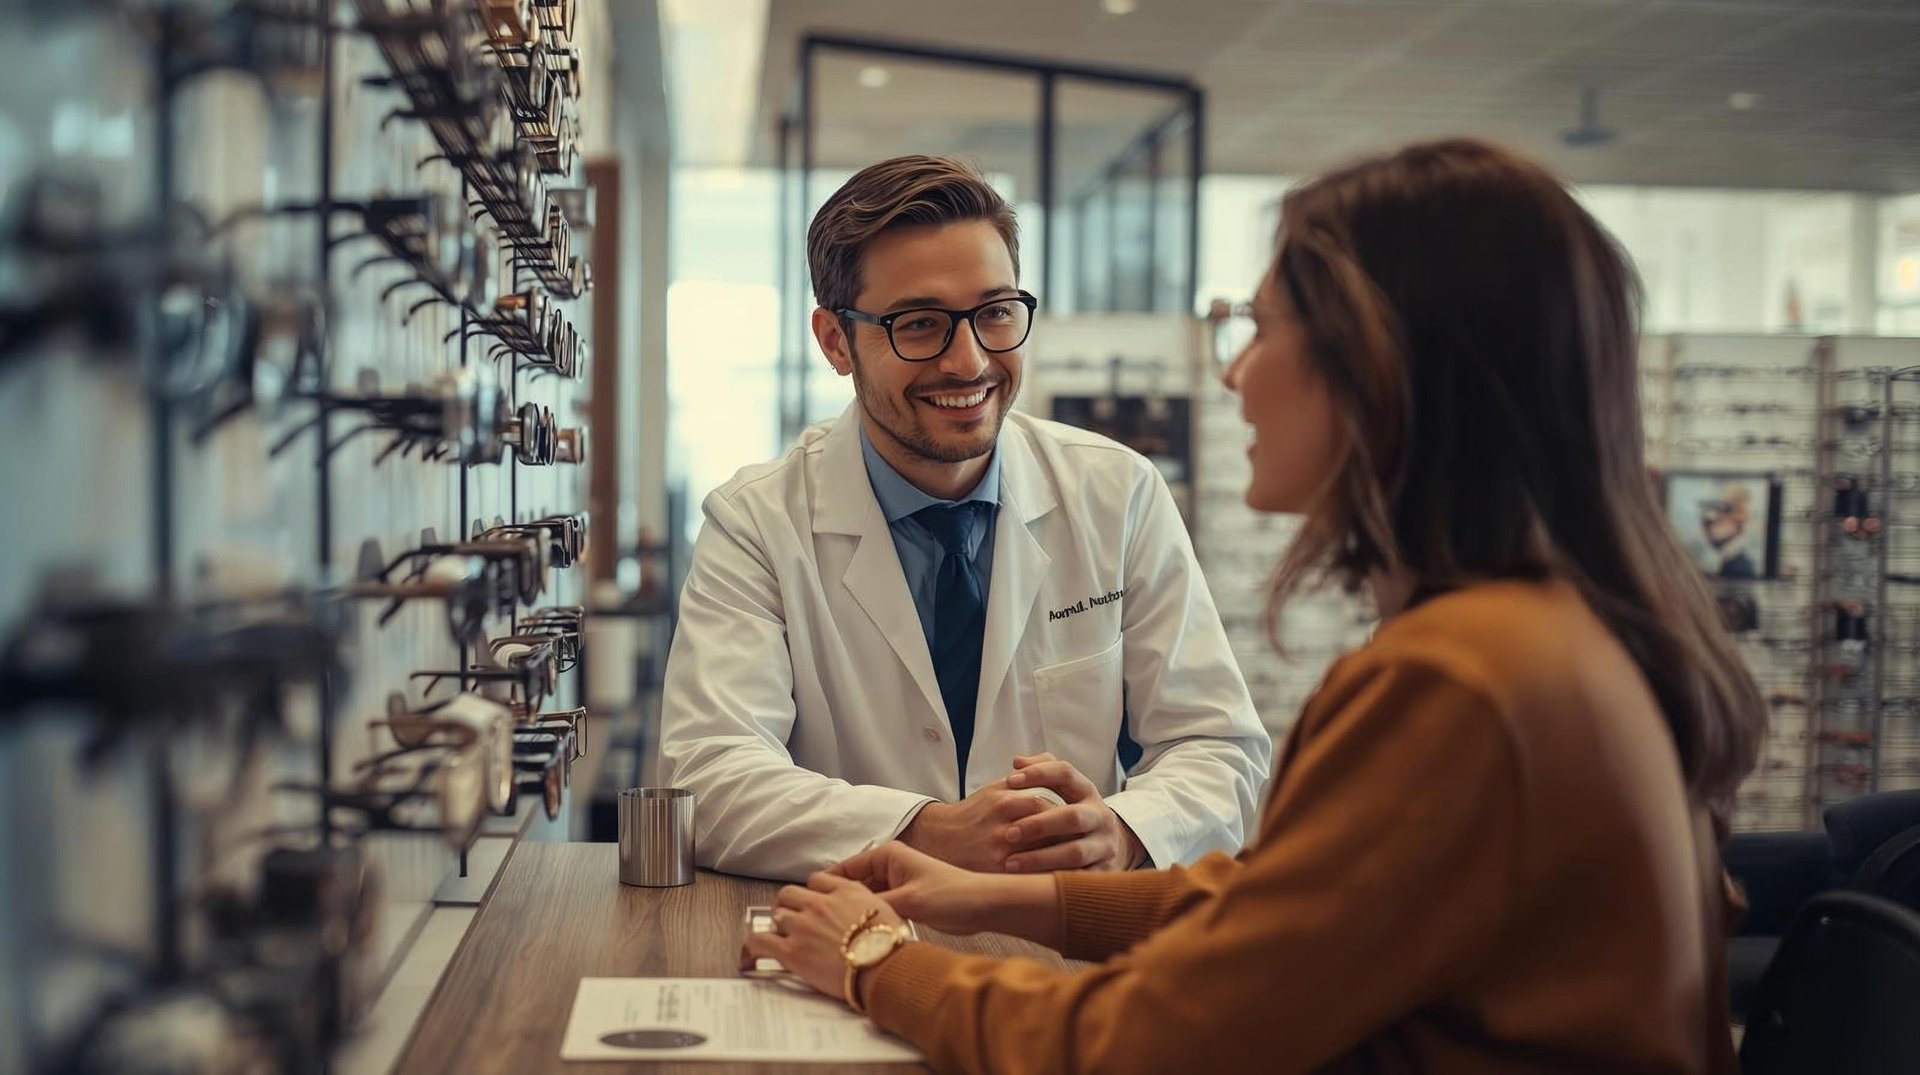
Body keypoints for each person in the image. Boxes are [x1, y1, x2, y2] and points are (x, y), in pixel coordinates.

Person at [744, 139, 1764, 1074]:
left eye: (1263, 328)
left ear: (1380, 367)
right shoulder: (1544, 637)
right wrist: (1016, 898)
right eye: (922, 325)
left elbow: (1150, 1040)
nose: (1234, 372)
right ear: (839, 340)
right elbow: (1306, 907)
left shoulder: (1457, 680)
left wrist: (877, 960)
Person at [661, 156, 1271, 882]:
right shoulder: (758, 523)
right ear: (835, 342)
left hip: (1059, 932)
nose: (970, 360)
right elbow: (708, 775)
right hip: (856, 926)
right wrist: (927, 832)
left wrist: (1125, 830)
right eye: (920, 324)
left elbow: (1217, 745)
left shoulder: (1118, 493)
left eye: (996, 313)